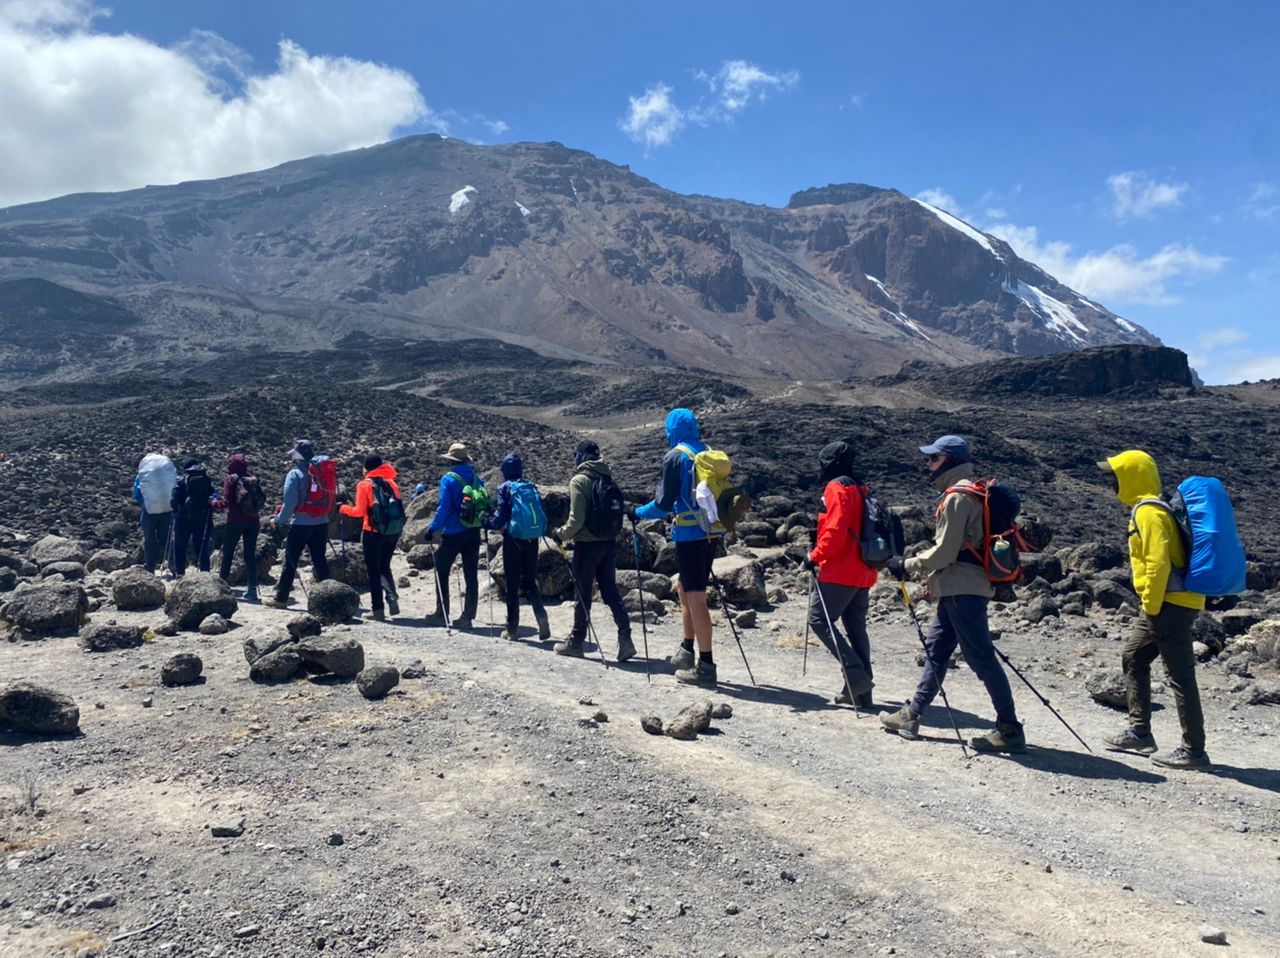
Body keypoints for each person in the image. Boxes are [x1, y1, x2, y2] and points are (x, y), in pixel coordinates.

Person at [879, 434, 1026, 753]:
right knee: (936, 648)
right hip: (960, 587)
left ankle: (1010, 728)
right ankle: (912, 713)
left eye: (933, 459)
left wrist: (907, 564)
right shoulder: (970, 493)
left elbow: (945, 552)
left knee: (981, 656)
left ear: (949, 460)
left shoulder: (957, 497)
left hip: (962, 588)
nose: (927, 464)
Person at [1099, 451, 1211, 769]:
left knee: (1180, 675)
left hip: (1168, 604)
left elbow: (1158, 561)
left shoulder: (1148, 512)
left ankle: (1194, 751)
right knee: (1133, 656)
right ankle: (1139, 732)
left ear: (1131, 477)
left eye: (1116, 475)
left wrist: (1150, 602)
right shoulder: (1152, 507)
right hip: (1169, 601)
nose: (1112, 481)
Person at [634, 408, 720, 688]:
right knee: (685, 588)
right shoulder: (706, 450)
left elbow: (661, 505)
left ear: (671, 428)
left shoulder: (676, 457)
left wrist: (637, 511)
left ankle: (705, 666)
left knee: (695, 597)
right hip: (711, 532)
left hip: (690, 535)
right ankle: (686, 649)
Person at [802, 441, 877, 706]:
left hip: (840, 571)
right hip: (864, 570)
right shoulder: (860, 487)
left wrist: (814, 555)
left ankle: (855, 677)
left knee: (818, 620)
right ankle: (861, 692)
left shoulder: (836, 488)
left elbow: (835, 531)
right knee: (856, 628)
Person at [550, 441, 634, 661]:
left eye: (576, 454)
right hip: (609, 543)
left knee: (582, 593)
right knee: (610, 592)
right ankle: (626, 637)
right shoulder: (608, 479)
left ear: (582, 456)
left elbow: (576, 520)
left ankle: (576, 641)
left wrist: (560, 534)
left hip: (587, 546)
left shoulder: (580, 481)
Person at [483, 452, 551, 642]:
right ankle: (542, 617)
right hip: (532, 538)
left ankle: (512, 628)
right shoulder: (530, 486)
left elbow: (499, 519)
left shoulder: (505, 488)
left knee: (512, 584)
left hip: (513, 539)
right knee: (529, 580)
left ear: (505, 470)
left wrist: (485, 522)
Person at [422, 442, 484, 630]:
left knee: (441, 569)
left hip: (454, 532)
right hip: (473, 530)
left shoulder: (448, 479)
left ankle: (442, 613)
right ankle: (467, 617)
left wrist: (432, 528)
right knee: (471, 573)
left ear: (451, 461)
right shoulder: (475, 477)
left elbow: (444, 508)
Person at [264, 439, 332, 608]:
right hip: (322, 522)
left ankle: (281, 598)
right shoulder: (321, 472)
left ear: (297, 456)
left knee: (291, 561)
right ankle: (329, 598)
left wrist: (278, 521)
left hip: (301, 524)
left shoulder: (295, 474)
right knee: (319, 560)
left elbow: (290, 503)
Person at [339, 454, 403, 621]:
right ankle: (392, 597)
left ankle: (378, 610)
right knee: (384, 566)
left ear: (366, 468)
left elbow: (359, 512)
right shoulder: (391, 483)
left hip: (372, 532)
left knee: (373, 571)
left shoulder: (364, 485)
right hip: (392, 531)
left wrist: (344, 509)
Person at [219, 454, 263, 601]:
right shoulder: (253, 479)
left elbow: (226, 502)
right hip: (253, 520)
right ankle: (252, 590)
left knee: (228, 552)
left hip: (235, 520)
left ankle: (222, 587)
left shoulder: (231, 479)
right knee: (249, 554)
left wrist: (213, 503)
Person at [170, 458, 218, 576]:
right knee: (201, 547)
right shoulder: (206, 479)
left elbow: (173, 500)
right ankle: (205, 574)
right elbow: (213, 495)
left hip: (183, 518)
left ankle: (180, 575)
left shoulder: (181, 480)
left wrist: (175, 508)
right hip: (202, 517)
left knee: (180, 546)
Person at [132, 453, 178, 574]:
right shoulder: (166, 473)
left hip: (149, 512)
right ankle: (175, 566)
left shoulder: (142, 476)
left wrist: (147, 501)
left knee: (150, 540)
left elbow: (137, 494)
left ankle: (150, 567)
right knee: (166, 539)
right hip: (167, 511)